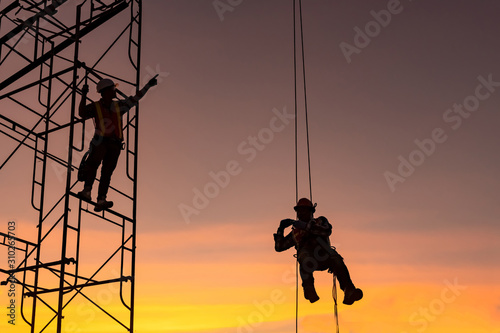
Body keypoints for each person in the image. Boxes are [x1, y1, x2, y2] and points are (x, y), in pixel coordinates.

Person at [77, 77, 157, 212]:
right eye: (113, 89)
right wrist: (83, 95)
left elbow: (135, 98)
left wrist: (147, 86)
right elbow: (82, 113)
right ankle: (87, 191)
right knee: (93, 164)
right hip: (101, 142)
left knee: (106, 172)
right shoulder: (97, 106)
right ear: (106, 91)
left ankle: (101, 199)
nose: (115, 91)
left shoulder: (118, 106)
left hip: (115, 145)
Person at [273, 198, 363, 304]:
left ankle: (349, 290)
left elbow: (326, 230)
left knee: (337, 259)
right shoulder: (296, 233)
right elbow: (280, 247)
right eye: (299, 211)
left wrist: (306, 227)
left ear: (311, 211)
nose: (301, 213)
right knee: (304, 257)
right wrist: (280, 229)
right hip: (309, 261)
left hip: (325, 256)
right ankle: (309, 289)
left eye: (304, 210)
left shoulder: (320, 221)